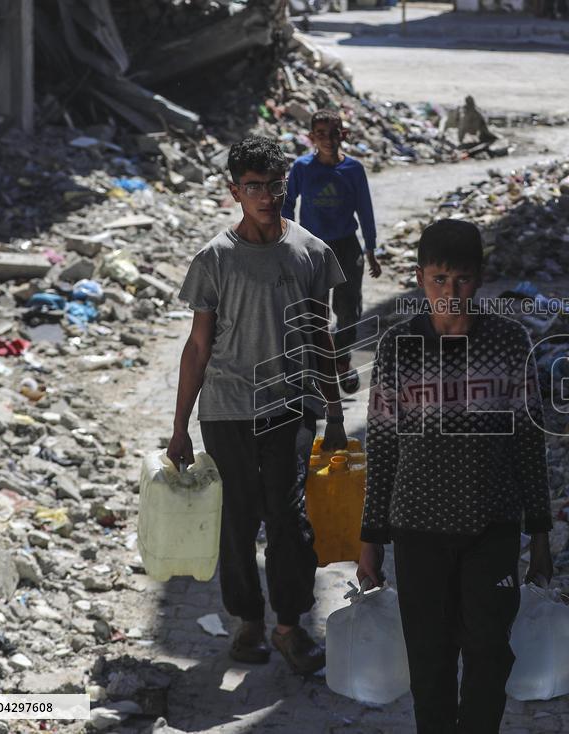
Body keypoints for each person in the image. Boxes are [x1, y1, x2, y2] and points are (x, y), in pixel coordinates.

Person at [356, 219, 554, 734]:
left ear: (479, 279)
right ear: (419, 278)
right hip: (417, 529)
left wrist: (540, 534)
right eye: (439, 279)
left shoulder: (509, 342)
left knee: (490, 652)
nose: (450, 292)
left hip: (493, 526)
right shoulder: (399, 346)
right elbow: (382, 444)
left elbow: (528, 441)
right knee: (430, 660)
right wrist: (370, 539)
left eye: (462, 279)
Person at [169, 134, 348, 674]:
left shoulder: (311, 252)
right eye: (253, 187)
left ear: (286, 185)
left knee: (289, 520)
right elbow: (198, 347)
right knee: (238, 521)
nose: (266, 197)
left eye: (274, 185)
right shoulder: (215, 259)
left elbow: (321, 337)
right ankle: (248, 619)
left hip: (290, 406)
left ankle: (289, 624)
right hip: (226, 409)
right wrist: (179, 429)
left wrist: (335, 413)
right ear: (234, 192)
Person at [282, 108, 381, 396]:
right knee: (315, 312)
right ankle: (320, 369)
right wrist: (287, 240)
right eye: (321, 134)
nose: (328, 139)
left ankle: (341, 359)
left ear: (344, 135)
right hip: (312, 248)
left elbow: (365, 210)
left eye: (334, 133)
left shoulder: (353, 169)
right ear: (311, 137)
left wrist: (371, 248)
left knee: (349, 311)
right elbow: (287, 203)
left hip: (347, 247)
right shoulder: (302, 168)